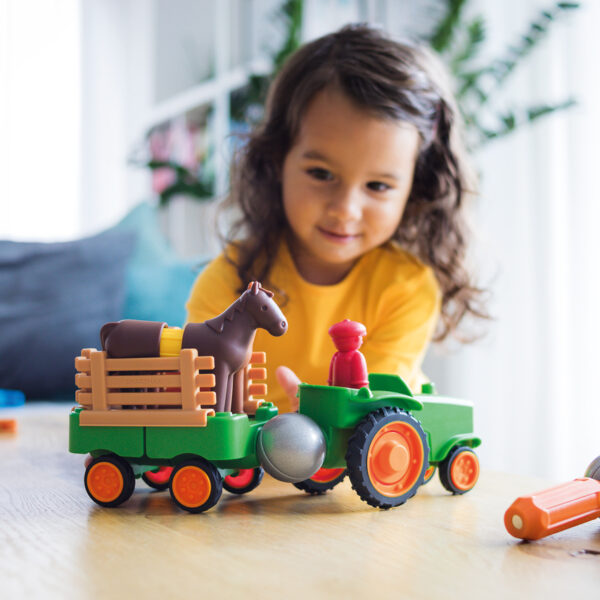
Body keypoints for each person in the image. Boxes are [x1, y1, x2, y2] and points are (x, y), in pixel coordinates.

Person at [186, 24, 487, 413]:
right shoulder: (227, 283)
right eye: (321, 174)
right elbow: (201, 406)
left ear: (416, 186)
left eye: (378, 185)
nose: (345, 209)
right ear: (277, 160)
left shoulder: (407, 287)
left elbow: (367, 415)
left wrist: (310, 417)